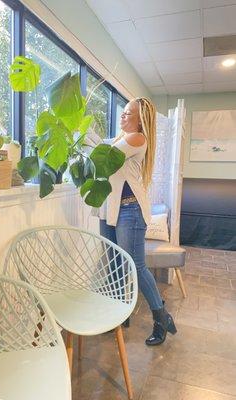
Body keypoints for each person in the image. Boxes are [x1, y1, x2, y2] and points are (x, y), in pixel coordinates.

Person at [92, 97, 177, 346]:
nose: (122, 117)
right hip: (110, 209)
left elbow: (103, 155)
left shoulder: (137, 138)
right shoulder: (121, 139)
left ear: (141, 121)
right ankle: (118, 316)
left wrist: (87, 138)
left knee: (135, 267)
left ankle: (162, 318)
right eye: (124, 112)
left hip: (130, 211)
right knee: (115, 265)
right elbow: (101, 146)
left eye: (128, 114)